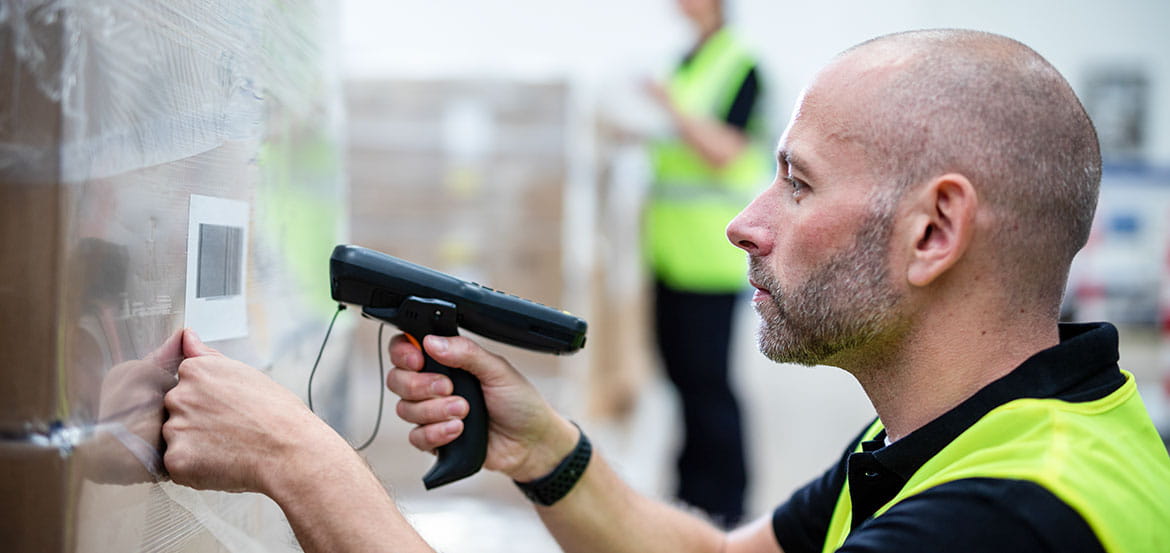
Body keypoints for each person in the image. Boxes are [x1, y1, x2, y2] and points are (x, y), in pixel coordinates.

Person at [163, 29, 1170, 553]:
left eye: (798, 180)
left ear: (935, 230)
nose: (746, 221)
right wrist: (545, 448)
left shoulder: (1005, 522)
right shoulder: (977, 433)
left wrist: (299, 458)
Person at [641, 0, 771, 526]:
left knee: (708, 383)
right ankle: (690, 493)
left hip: (710, 259)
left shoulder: (741, 67)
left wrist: (666, 105)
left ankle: (727, 503)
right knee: (680, 379)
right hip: (669, 253)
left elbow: (722, 151)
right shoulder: (684, 61)